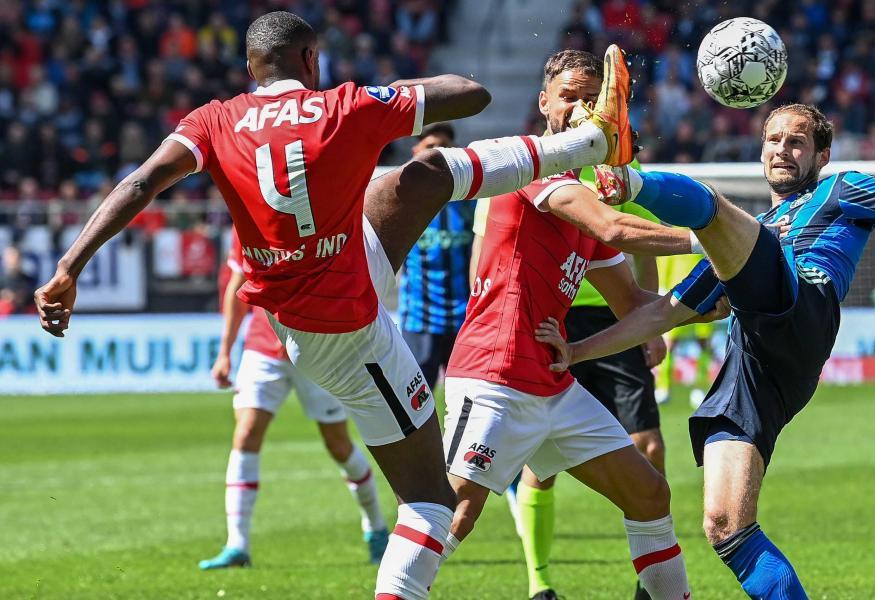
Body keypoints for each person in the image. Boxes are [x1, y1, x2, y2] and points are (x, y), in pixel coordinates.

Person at [33, 11, 636, 599]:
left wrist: (68, 268)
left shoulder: (214, 120)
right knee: (430, 501)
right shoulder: (343, 104)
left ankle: (587, 143)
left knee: (418, 178)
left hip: (319, 292)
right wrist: (391, 95)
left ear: (250, 67)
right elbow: (470, 95)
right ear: (311, 59)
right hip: (350, 332)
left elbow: (140, 183)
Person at [535, 102, 875, 599]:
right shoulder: (744, 246)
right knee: (726, 527)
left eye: (796, 142)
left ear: (821, 154)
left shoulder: (840, 190)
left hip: (803, 306)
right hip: (757, 367)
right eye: (773, 139)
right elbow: (664, 312)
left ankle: (627, 176)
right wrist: (576, 352)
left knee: (715, 213)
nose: (781, 150)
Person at [438, 49, 700, 600]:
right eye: (569, 97)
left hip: (552, 380)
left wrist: (712, 292)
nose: (580, 109)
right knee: (450, 515)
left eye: (591, 99)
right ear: (543, 103)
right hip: (496, 375)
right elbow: (614, 226)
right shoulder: (528, 162)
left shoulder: (587, 185)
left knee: (649, 493)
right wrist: (720, 239)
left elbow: (633, 300)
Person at [201, 231, 389, 570]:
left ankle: (375, 526)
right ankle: (237, 545)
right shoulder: (246, 219)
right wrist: (225, 352)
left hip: (316, 348)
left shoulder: (313, 213)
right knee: (246, 433)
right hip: (262, 347)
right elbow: (237, 286)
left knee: (338, 444)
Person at [399, 123, 473, 386]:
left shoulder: (471, 200)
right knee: (416, 403)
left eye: (446, 147)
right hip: (419, 318)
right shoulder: (399, 201)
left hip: (465, 318)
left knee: (466, 398)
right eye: (431, 147)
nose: (439, 153)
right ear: (415, 150)